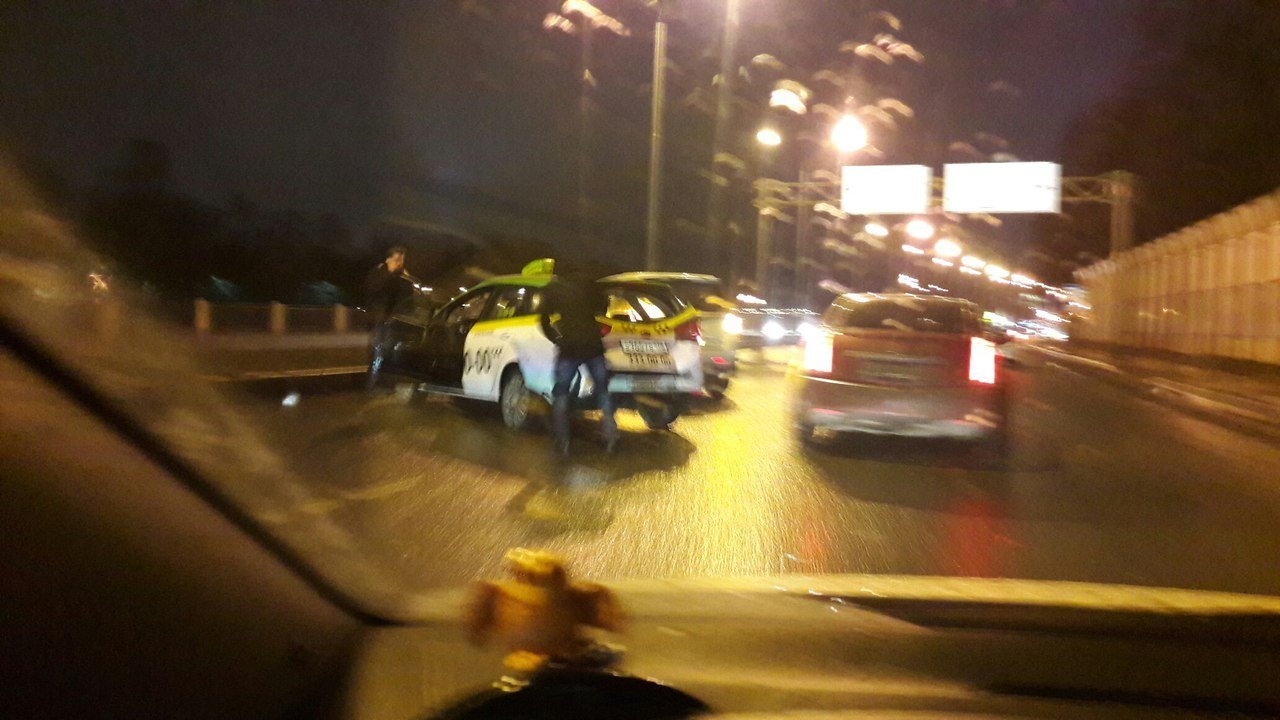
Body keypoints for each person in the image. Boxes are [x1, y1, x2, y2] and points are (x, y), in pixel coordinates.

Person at [539, 267, 616, 454]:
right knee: (603, 390)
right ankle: (610, 436)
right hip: (592, 345)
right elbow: (604, 308)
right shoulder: (590, 283)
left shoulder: (556, 287)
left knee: (561, 393)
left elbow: (543, 319)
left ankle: (562, 441)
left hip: (569, 347)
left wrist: (555, 338)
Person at [364, 245, 412, 389]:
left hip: (394, 321)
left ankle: (387, 384)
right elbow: (373, 289)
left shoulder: (400, 276)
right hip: (378, 320)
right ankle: (372, 384)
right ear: (388, 259)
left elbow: (408, 296)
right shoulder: (378, 272)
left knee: (392, 353)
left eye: (402, 260)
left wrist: (407, 279)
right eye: (397, 259)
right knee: (377, 352)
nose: (399, 263)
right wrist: (390, 274)